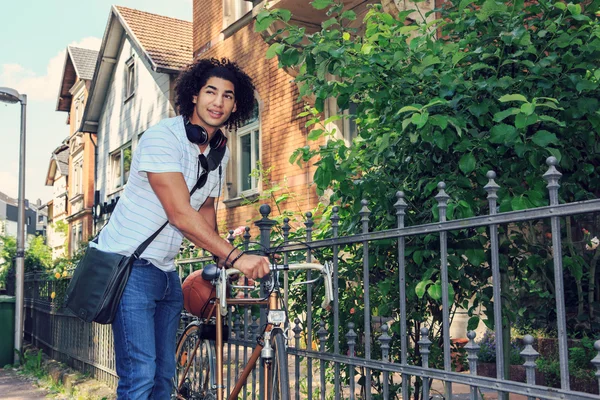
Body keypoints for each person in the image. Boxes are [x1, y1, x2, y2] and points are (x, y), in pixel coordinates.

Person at [94, 57, 270, 399]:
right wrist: (237, 257)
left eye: (228, 96)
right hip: (128, 267)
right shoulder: (163, 138)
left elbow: (204, 209)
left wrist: (222, 261)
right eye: (210, 91)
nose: (218, 102)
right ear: (194, 95)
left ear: (236, 105)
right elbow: (179, 213)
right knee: (140, 376)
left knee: (164, 378)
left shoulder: (220, 153)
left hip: (165, 271)